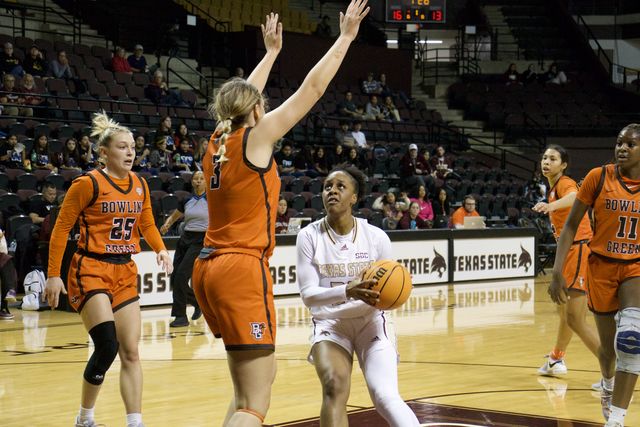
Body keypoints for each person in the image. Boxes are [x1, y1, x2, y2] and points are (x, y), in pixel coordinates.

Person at [191, 5, 370, 426]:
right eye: (262, 106)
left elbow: (238, 102)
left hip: (207, 267)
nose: (267, 109)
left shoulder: (218, 141)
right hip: (240, 267)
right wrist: (345, 37)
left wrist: (271, 54)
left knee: (251, 386)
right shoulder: (257, 136)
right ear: (255, 112)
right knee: (255, 403)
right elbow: (312, 89)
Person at [43, 111, 172, 427]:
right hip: (91, 268)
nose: (130, 153)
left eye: (132, 147)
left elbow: (147, 224)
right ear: (104, 152)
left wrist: (160, 249)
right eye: (122, 147)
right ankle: (85, 417)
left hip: (125, 270)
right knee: (107, 345)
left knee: (131, 352)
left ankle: (135, 422)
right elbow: (61, 228)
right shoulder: (87, 184)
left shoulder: (140, 184)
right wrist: (53, 274)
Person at [296, 165, 420, 427]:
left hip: (371, 321)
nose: (332, 191)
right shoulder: (308, 236)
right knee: (333, 386)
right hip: (331, 323)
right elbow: (308, 295)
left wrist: (392, 293)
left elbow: (390, 289)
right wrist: (346, 291)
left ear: (354, 197)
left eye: (341, 186)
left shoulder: (376, 237)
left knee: (385, 396)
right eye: (328, 186)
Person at [548, 124, 640, 427]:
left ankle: (616, 419)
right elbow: (571, 225)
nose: (622, 148)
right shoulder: (598, 177)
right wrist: (557, 271)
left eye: (630, 144)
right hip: (600, 265)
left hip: (635, 268)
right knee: (608, 352)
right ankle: (607, 383)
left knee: (630, 340)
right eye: (619, 143)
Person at [533, 145, 600, 378]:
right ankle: (556, 359)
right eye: (544, 158)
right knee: (565, 315)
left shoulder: (564, 183)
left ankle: (613, 370)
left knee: (575, 319)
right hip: (570, 252)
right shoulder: (552, 189)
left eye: (553, 158)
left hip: (579, 249)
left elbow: (575, 197)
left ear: (563, 165)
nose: (546, 162)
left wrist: (551, 206)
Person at [160, 171, 206, 327]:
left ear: (207, 181)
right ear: (192, 182)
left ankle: (180, 317)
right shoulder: (186, 199)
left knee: (181, 276)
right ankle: (198, 302)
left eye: (201, 179)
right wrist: (167, 224)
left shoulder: (212, 199)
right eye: (196, 179)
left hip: (201, 240)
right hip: (185, 239)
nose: (198, 181)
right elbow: (175, 216)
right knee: (174, 279)